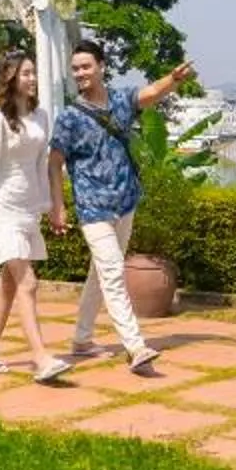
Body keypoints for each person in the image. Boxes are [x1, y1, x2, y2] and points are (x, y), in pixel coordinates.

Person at [47, 41, 195, 377]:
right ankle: (135, 346)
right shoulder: (69, 117)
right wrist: (57, 205)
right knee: (113, 272)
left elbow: (152, 93)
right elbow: (53, 164)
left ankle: (82, 340)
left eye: (86, 66)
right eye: (75, 69)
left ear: (101, 66)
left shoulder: (120, 101)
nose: (80, 73)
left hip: (125, 201)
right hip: (92, 205)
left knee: (100, 274)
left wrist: (174, 79)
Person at [0, 51, 72, 382]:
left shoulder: (40, 117)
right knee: (28, 283)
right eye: (26, 73)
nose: (32, 78)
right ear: (10, 78)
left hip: (27, 209)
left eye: (34, 73)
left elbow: (42, 165)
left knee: (8, 287)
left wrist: (51, 205)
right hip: (2, 209)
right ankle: (41, 357)